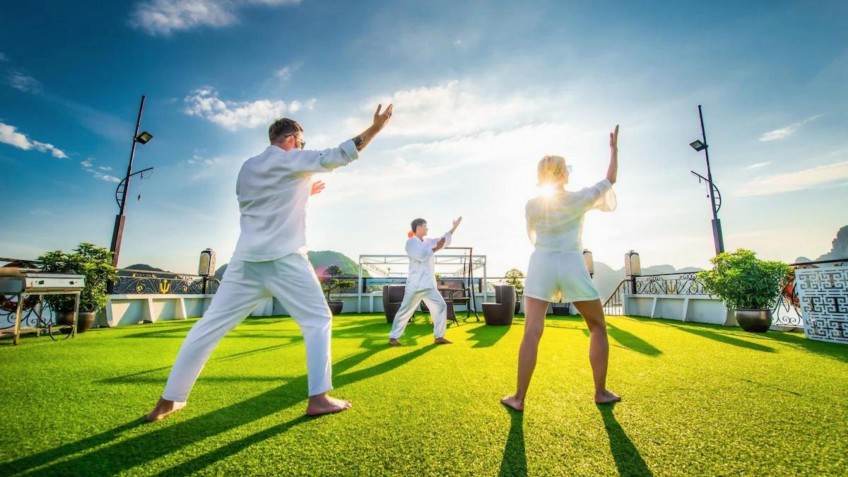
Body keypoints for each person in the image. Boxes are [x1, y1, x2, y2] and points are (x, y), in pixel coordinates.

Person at [146, 104, 394, 421]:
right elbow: (337, 155)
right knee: (318, 321)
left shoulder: (248, 168)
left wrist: (305, 191)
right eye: (301, 143)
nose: (302, 148)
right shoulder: (290, 159)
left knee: (208, 328)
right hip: (285, 259)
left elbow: (267, 201)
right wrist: (375, 129)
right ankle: (318, 398)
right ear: (291, 139)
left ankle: (167, 402)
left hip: (245, 263)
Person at [502, 125, 621, 411]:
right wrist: (614, 151)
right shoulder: (579, 198)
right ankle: (600, 392)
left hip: (541, 262)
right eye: (566, 167)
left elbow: (532, 233)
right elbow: (610, 180)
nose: (569, 170)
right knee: (597, 326)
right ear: (561, 174)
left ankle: (518, 398)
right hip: (571, 262)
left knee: (532, 331)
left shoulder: (532, 205)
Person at [388, 217, 463, 346]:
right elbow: (421, 256)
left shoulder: (428, 241)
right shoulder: (410, 243)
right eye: (425, 226)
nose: (427, 228)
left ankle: (439, 337)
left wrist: (454, 227)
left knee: (441, 306)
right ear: (418, 227)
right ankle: (393, 337)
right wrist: (435, 249)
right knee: (405, 311)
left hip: (428, 285)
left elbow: (442, 241)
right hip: (415, 286)